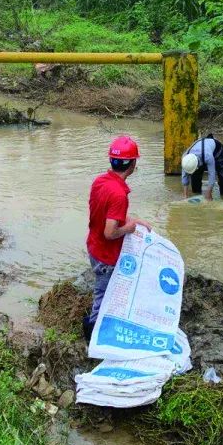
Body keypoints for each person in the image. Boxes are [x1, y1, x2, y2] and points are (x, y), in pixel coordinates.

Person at [83, 135, 152, 338]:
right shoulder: (119, 195)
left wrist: (134, 220)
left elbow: (106, 212)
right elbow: (110, 232)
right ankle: (92, 337)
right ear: (132, 164)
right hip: (106, 255)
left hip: (94, 246)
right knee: (102, 295)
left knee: (104, 291)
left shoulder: (100, 182)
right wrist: (128, 229)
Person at [180, 134, 223, 199]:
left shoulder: (208, 156)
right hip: (202, 152)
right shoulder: (185, 158)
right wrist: (185, 195)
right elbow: (184, 176)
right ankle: (197, 193)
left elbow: (212, 174)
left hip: (217, 151)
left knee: (222, 175)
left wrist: (209, 192)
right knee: (195, 178)